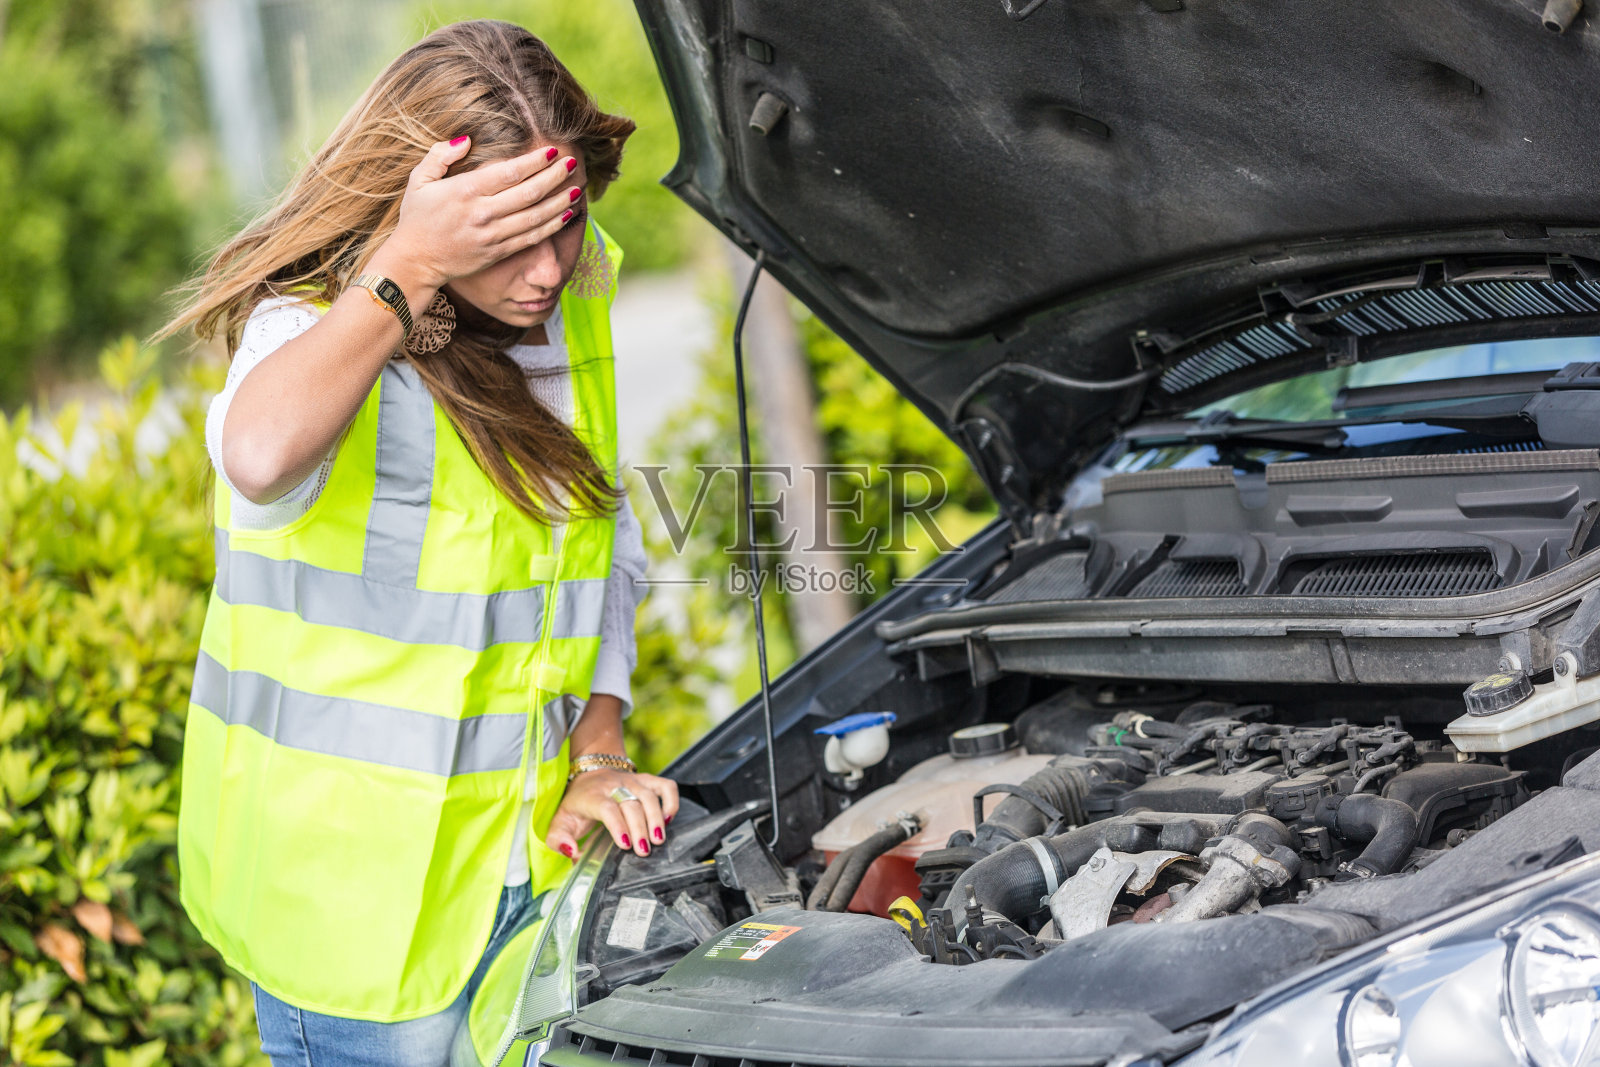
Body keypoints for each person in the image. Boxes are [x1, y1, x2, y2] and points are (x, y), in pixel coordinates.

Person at [159, 20, 679, 1066]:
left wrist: (600, 746)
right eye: (501, 239)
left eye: (563, 224)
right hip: (351, 926)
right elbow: (257, 454)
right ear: (422, 209)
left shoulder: (567, 303)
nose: (542, 271)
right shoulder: (309, 325)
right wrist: (406, 269)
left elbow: (595, 550)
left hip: (524, 873)